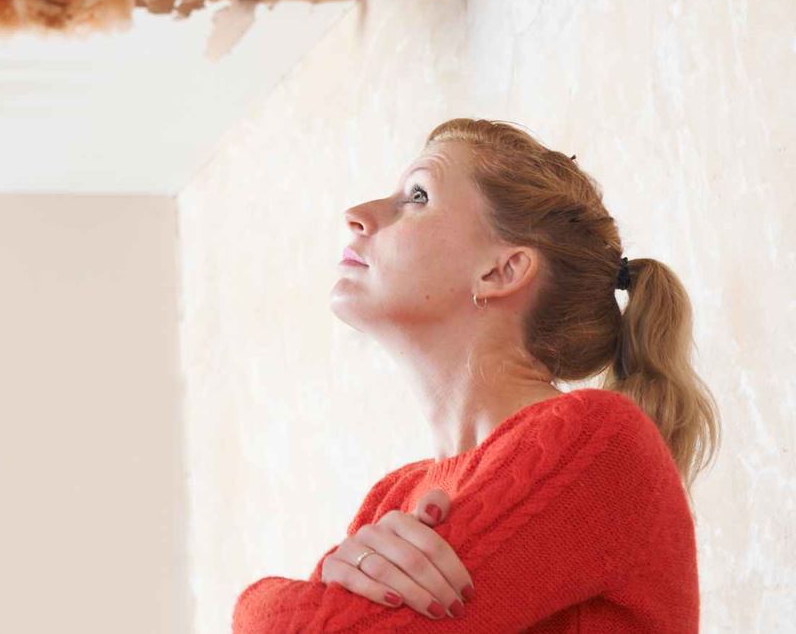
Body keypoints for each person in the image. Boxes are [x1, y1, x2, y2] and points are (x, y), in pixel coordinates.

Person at [233, 119, 718, 632]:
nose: (357, 215)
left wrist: (259, 602)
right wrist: (327, 575)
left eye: (417, 196)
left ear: (502, 271)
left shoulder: (593, 438)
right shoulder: (394, 497)